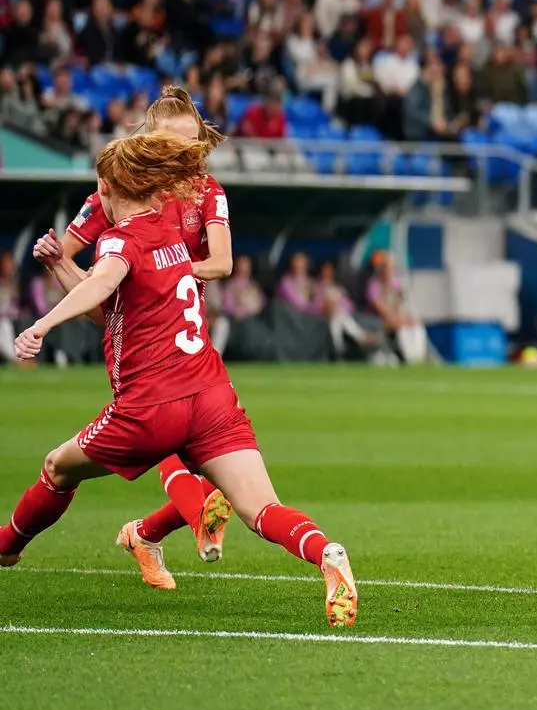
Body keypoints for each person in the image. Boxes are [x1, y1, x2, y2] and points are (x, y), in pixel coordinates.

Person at [4, 132, 358, 627]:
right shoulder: (172, 236)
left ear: (106, 188)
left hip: (150, 406)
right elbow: (115, 308)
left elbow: (105, 283)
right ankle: (326, 553)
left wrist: (41, 324)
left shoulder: (119, 239)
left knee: (58, 467)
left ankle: (7, 548)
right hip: (212, 396)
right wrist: (62, 264)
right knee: (261, 509)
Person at [39, 86, 238, 588]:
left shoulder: (206, 190)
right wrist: (83, 273)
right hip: (140, 338)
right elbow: (63, 252)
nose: (188, 156)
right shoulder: (116, 192)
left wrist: (168, 270)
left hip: (190, 336)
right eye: (176, 144)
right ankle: (192, 523)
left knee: (224, 471)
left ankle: (143, 535)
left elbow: (223, 262)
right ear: (151, 143)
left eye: (194, 144)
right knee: (174, 433)